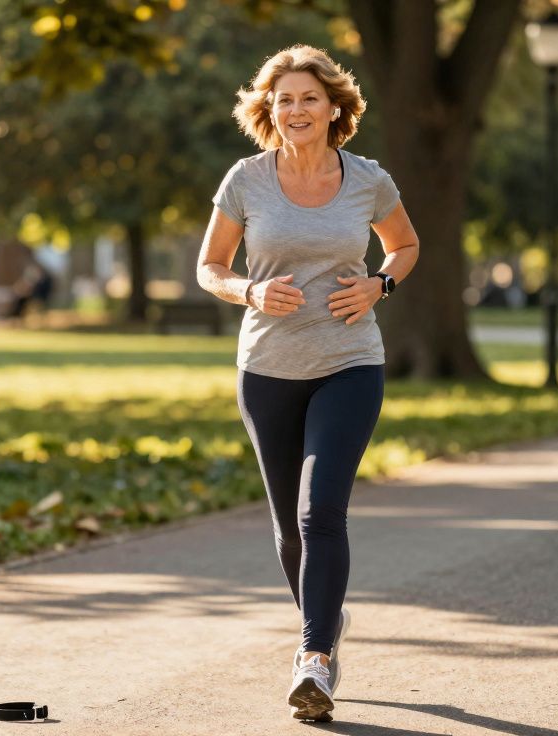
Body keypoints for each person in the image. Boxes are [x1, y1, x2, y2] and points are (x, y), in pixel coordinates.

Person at [196, 45, 418, 722]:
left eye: (309, 98)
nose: (296, 110)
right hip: (267, 370)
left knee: (320, 511)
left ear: (334, 108)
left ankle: (315, 659)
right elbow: (210, 265)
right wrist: (250, 292)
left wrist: (379, 284)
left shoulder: (367, 179)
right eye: (284, 99)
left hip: (350, 362)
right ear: (269, 108)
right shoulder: (246, 180)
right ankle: (324, 621)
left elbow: (404, 245)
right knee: (289, 529)